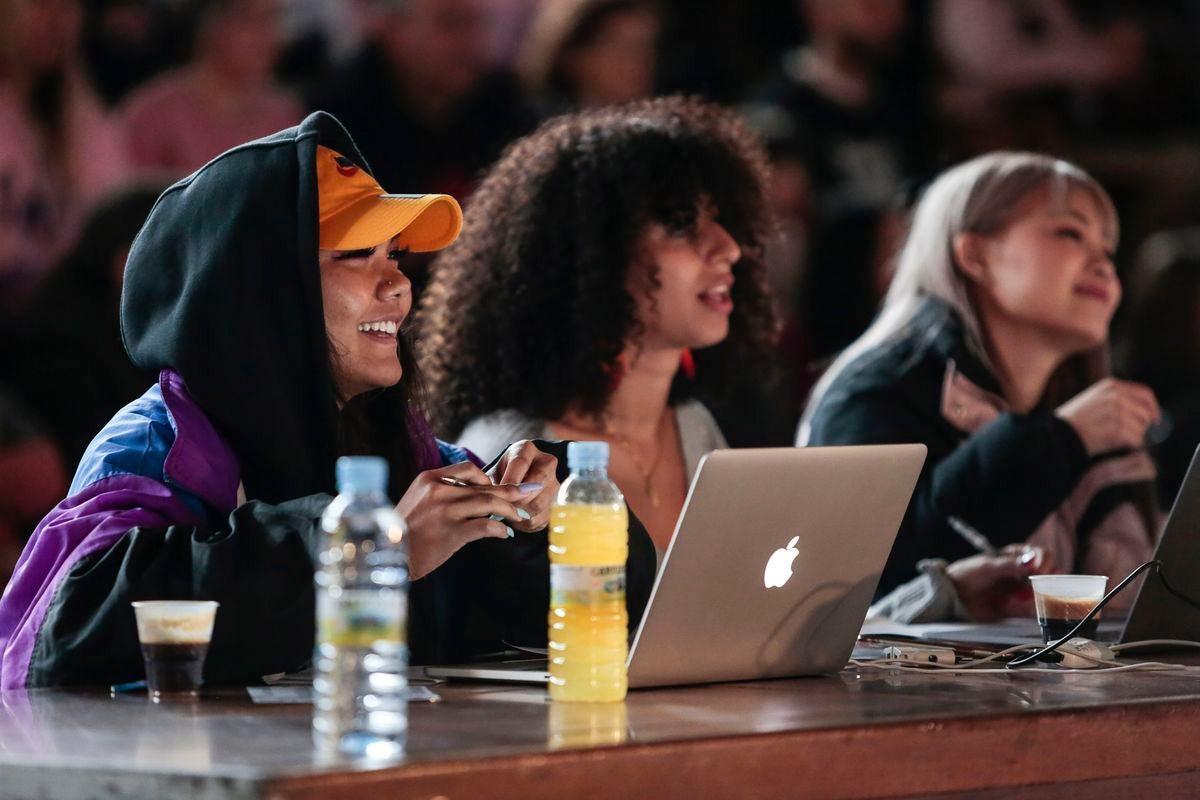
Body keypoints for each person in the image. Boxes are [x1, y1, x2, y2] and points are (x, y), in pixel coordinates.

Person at [0, 112, 655, 690]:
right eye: (355, 256)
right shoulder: (160, 443)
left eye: (395, 255)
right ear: (264, 296)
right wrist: (370, 553)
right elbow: (73, 625)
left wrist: (550, 512)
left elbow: (517, 608)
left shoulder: (395, 439)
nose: (399, 284)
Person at [417, 97, 781, 553]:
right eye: (682, 224)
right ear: (596, 258)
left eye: (722, 221)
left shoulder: (695, 427)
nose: (728, 248)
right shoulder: (511, 450)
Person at [801, 152, 1160, 607]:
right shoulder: (874, 391)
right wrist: (1061, 440)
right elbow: (862, 578)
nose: (1103, 264)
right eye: (1071, 233)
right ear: (974, 254)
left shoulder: (1096, 415)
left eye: (1108, 249)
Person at [0, 0, 127, 318]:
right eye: (40, 5)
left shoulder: (82, 114)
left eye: (68, 6)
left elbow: (115, 215)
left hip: (59, 317)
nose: (56, 19)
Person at [120, 0, 302, 176]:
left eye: (273, 18)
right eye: (248, 19)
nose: (268, 34)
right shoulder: (154, 115)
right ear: (209, 22)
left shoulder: (284, 115)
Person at [516, 0, 660, 114]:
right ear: (575, 55)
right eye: (616, 46)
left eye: (644, 46)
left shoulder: (663, 133)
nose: (635, 61)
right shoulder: (534, 130)